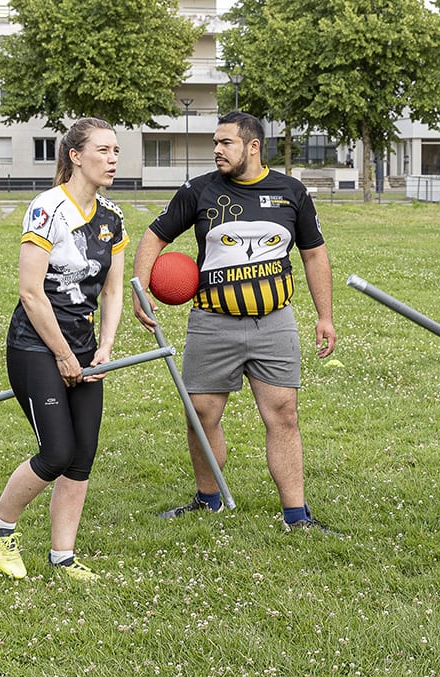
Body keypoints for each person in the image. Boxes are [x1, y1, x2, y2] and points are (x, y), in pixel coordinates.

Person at [132, 111, 338, 533]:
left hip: (274, 322)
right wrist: (142, 292)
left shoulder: (291, 192)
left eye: (226, 143)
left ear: (253, 146)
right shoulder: (198, 190)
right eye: (215, 142)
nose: (217, 150)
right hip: (212, 323)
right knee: (201, 415)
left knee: (283, 414)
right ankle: (209, 499)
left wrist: (325, 315)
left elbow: (314, 253)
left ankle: (296, 516)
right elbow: (155, 235)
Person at [0, 117, 127, 583]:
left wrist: (104, 349)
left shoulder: (113, 217)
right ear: (76, 156)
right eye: (103, 150)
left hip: (85, 348)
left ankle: (63, 555)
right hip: (35, 346)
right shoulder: (47, 209)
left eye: (116, 151)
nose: (112, 159)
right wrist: (64, 355)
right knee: (57, 451)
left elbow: (113, 292)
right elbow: (31, 292)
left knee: (83, 455)